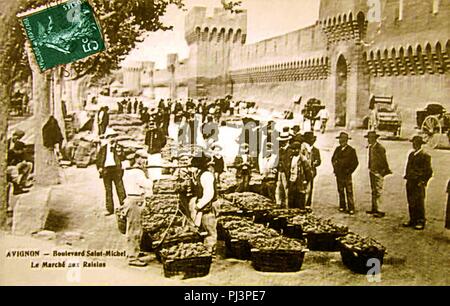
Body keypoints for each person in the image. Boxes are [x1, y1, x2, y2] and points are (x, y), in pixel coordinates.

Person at [119, 150, 153, 267]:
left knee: (135, 228)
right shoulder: (137, 172)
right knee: (134, 230)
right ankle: (132, 257)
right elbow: (148, 185)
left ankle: (135, 251)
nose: (145, 161)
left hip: (132, 200)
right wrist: (150, 177)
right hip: (135, 201)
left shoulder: (128, 171)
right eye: (143, 158)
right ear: (137, 158)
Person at [189, 154, 218, 254]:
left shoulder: (206, 175)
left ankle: (210, 250)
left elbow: (209, 194)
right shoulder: (198, 174)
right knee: (202, 228)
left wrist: (198, 206)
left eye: (192, 166)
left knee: (209, 227)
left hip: (208, 204)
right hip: (201, 202)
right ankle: (204, 250)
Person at [403, 135, 433, 230]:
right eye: (413, 143)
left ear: (420, 145)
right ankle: (412, 219)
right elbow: (408, 167)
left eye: (416, 143)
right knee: (411, 201)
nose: (414, 145)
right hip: (410, 181)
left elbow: (428, 171)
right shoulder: (411, 155)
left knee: (419, 202)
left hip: (418, 182)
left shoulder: (425, 156)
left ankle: (420, 221)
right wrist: (407, 176)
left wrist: (423, 181)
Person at [96, 128, 126, 216]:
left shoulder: (119, 147)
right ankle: (109, 209)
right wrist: (100, 168)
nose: (112, 139)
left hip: (116, 170)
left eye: (113, 137)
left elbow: (123, 158)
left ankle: (124, 207)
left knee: (120, 189)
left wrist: (119, 153)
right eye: (110, 137)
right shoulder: (103, 148)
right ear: (107, 138)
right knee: (108, 190)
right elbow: (98, 159)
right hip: (106, 171)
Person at [365, 131, 392, 218]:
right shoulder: (371, 147)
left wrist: (383, 171)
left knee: (379, 191)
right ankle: (374, 208)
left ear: (374, 138)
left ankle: (380, 210)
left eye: (370, 138)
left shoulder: (380, 148)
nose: (368, 140)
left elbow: (384, 161)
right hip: (372, 171)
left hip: (378, 172)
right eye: (368, 138)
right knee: (374, 190)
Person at [331, 132, 359, 215]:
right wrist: (335, 168)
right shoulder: (337, 149)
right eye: (340, 139)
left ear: (346, 140)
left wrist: (349, 170)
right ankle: (342, 206)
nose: (341, 141)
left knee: (349, 191)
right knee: (340, 190)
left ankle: (351, 208)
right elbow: (333, 159)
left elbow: (355, 163)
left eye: (343, 139)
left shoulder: (351, 150)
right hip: (339, 173)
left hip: (347, 174)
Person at [145, 113, 167, 185]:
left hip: (156, 152)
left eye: (152, 123)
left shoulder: (159, 131)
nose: (151, 125)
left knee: (157, 167)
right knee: (150, 167)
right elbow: (146, 142)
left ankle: (157, 181)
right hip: (150, 152)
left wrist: (159, 146)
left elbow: (164, 141)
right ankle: (151, 180)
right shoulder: (148, 133)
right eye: (150, 123)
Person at [288, 141, 311, 210]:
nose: (293, 151)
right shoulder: (291, 158)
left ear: (299, 149)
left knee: (300, 199)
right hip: (292, 180)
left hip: (299, 181)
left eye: (295, 149)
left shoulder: (303, 159)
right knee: (291, 199)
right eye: (292, 149)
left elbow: (308, 172)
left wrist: (305, 181)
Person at [302, 132, 321, 212]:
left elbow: (319, 161)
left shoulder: (316, 150)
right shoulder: (302, 149)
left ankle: (307, 204)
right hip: (303, 171)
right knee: (302, 188)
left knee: (309, 188)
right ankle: (302, 204)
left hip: (311, 172)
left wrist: (316, 162)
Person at [275, 129, 292, 208]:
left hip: (286, 172)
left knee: (286, 188)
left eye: (283, 141)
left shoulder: (290, 150)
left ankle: (287, 204)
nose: (282, 143)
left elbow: (289, 163)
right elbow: (278, 160)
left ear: (287, 141)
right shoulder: (280, 150)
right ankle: (279, 203)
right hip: (280, 171)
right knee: (279, 187)